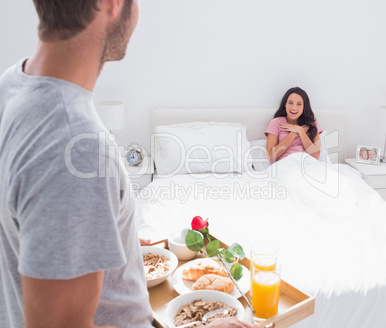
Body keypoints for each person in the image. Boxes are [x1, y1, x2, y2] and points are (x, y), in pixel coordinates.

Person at [0, 1, 255, 328]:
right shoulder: (77, 147)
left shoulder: (12, 84)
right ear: (111, 5)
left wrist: (107, 243)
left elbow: (30, 226)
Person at [265, 87, 322, 162]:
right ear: (285, 104)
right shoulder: (276, 122)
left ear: (304, 106)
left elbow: (316, 155)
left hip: (307, 164)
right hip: (286, 165)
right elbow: (271, 156)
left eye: (299, 104)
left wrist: (300, 131)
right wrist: (293, 134)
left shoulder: (312, 123)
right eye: (290, 103)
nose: (294, 108)